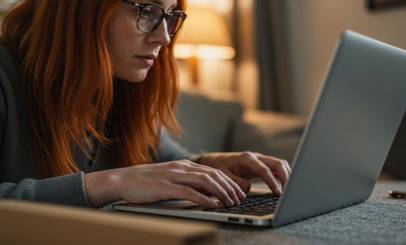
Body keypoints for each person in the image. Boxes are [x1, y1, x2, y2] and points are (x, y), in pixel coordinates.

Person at [0, 0, 290, 209]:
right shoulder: (5, 76)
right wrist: (112, 183)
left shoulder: (118, 80)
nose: (164, 38)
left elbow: (158, 156)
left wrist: (208, 164)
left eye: (170, 16)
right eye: (147, 11)